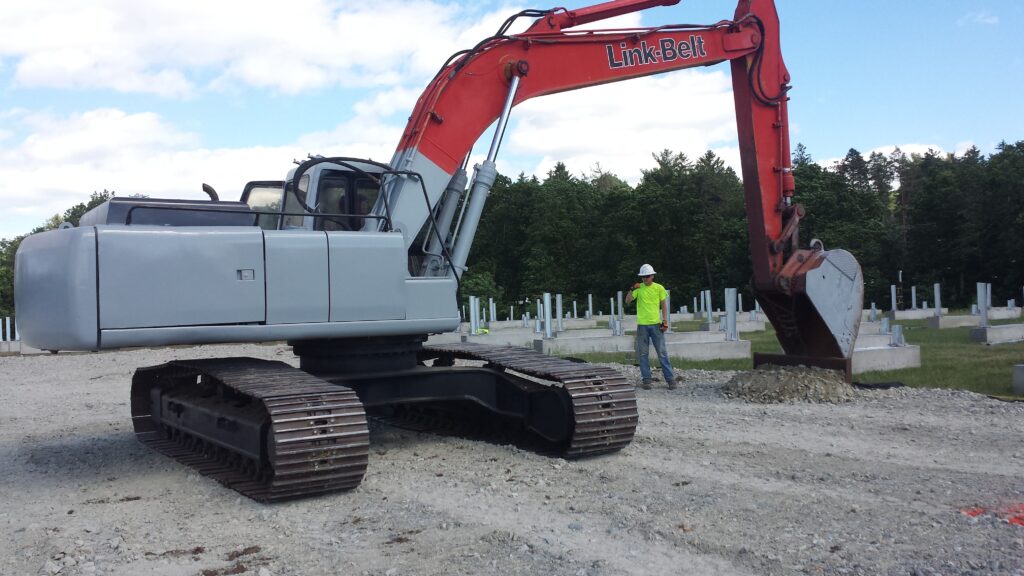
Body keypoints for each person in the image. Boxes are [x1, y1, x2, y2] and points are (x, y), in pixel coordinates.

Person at [625, 263, 681, 390]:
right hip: (642, 326)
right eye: (643, 276)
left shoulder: (659, 288)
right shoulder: (638, 289)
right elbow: (627, 301)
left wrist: (665, 321)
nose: (645, 279)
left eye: (647, 276)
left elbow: (664, 305)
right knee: (643, 354)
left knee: (662, 352)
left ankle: (670, 379)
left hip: (656, 325)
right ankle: (647, 380)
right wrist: (632, 289)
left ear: (652, 276)